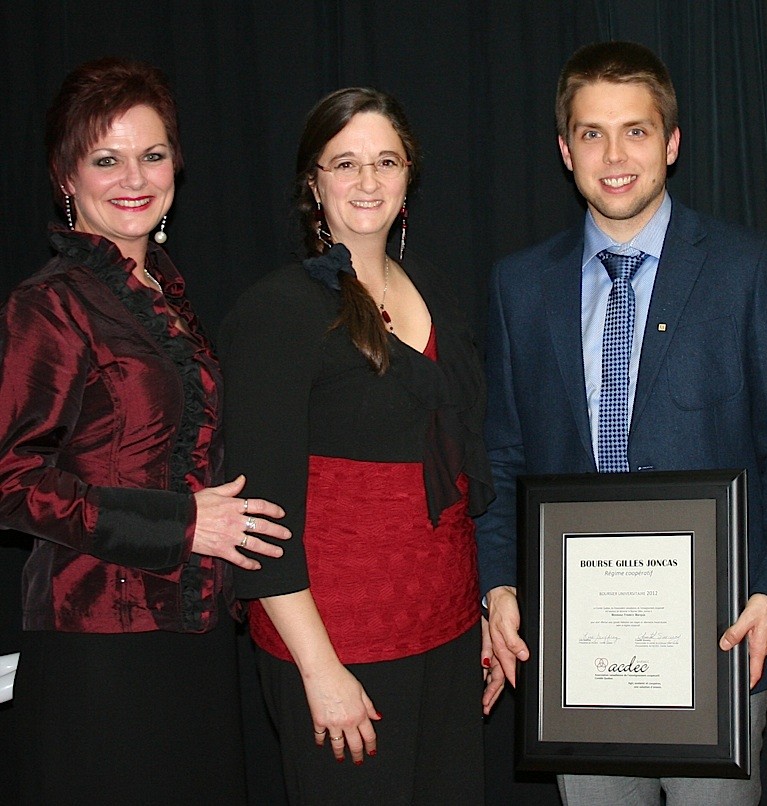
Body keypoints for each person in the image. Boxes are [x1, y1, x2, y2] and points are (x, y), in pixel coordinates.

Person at [476, 40, 767, 805]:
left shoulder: (747, 268)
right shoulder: (518, 286)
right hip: (580, 648)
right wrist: (498, 586)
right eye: (592, 133)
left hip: (721, 642)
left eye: (635, 130)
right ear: (564, 149)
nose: (614, 154)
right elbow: (501, 459)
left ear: (671, 142)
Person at [0, 57, 291, 804]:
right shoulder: (51, 304)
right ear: (66, 176)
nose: (134, 177)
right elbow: (12, 482)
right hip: (97, 644)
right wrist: (185, 523)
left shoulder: (161, 294)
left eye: (152, 155)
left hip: (189, 637)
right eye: (107, 158)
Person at [218, 87, 495, 805]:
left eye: (386, 161)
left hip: (448, 631)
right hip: (345, 649)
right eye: (345, 164)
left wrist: (484, 618)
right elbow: (260, 516)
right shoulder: (276, 310)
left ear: (409, 177)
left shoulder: (434, 288)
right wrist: (319, 670)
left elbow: (462, 470)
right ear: (314, 182)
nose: (368, 182)